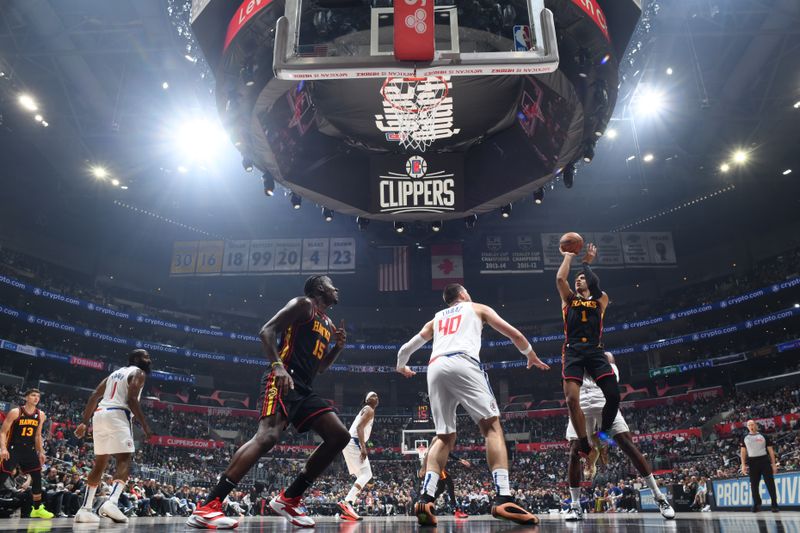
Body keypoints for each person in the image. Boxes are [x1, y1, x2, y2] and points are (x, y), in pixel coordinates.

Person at [188, 275, 350, 529]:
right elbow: (266, 331)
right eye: (331, 284)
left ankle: (289, 499)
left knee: (339, 437)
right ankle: (209, 505)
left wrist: (337, 348)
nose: (336, 288)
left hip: (304, 388)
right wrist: (277, 367)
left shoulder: (327, 323)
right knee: (267, 437)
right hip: (283, 376)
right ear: (320, 288)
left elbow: (320, 367)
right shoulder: (303, 304)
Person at [396, 283, 550, 526]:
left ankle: (425, 498)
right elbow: (515, 334)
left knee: (443, 436)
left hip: (434, 367)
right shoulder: (476, 308)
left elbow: (406, 348)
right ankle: (503, 497)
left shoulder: (435, 319)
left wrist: (401, 367)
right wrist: (530, 354)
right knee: (491, 428)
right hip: (463, 362)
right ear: (463, 294)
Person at [563, 352, 674, 521]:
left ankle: (659, 497)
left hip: (604, 403)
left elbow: (612, 390)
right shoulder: (572, 359)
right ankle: (575, 505)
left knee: (627, 444)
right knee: (574, 453)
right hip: (581, 407)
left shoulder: (605, 358)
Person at [73, 349, 154, 524]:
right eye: (145, 357)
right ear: (135, 359)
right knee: (124, 459)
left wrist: (84, 422)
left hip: (100, 414)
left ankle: (85, 509)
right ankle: (112, 502)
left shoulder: (114, 374)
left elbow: (94, 396)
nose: (149, 360)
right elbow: (132, 400)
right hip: (118, 414)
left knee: (100, 462)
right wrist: (146, 426)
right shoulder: (138, 372)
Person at [556, 243, 619, 457]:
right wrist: (568, 256)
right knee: (572, 400)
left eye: (582, 278)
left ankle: (603, 434)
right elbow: (560, 279)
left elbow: (596, 285)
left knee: (613, 395)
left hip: (594, 350)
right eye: (577, 279)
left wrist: (586, 264)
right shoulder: (569, 299)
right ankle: (584, 445)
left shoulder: (601, 299)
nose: (578, 279)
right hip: (573, 350)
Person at [0, 388, 53, 519]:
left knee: (37, 477)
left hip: (29, 450)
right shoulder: (16, 412)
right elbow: (3, 432)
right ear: (26, 397)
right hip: (13, 448)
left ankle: (37, 508)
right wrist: (3, 449)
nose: (36, 398)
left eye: (38, 396)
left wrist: (41, 451)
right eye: (33, 395)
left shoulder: (40, 414)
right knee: (2, 476)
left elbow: (38, 435)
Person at [338, 391, 379, 521]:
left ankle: (347, 509)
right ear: (367, 400)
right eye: (373, 396)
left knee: (364, 476)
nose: (376, 397)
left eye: (377, 396)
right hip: (354, 441)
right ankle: (347, 502)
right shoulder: (369, 409)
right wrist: (363, 446)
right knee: (366, 475)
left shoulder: (367, 409)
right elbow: (360, 427)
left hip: (349, 442)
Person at [417, 436, 471, 519]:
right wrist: (423, 467)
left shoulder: (441, 439)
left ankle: (428, 505)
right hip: (435, 467)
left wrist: (460, 460)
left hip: (436, 466)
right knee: (450, 484)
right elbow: (428, 453)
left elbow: (447, 453)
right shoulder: (439, 438)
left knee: (441, 488)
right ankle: (456, 509)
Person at [740, 419, 780, 512]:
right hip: (752, 462)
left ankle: (774, 504)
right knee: (754, 485)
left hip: (764, 461)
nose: (751, 426)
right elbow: (743, 452)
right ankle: (757, 504)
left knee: (770, 483)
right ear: (747, 427)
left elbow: (770, 450)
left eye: (752, 424)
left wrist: (773, 464)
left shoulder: (763, 436)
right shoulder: (744, 437)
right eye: (749, 425)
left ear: (756, 425)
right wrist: (743, 465)